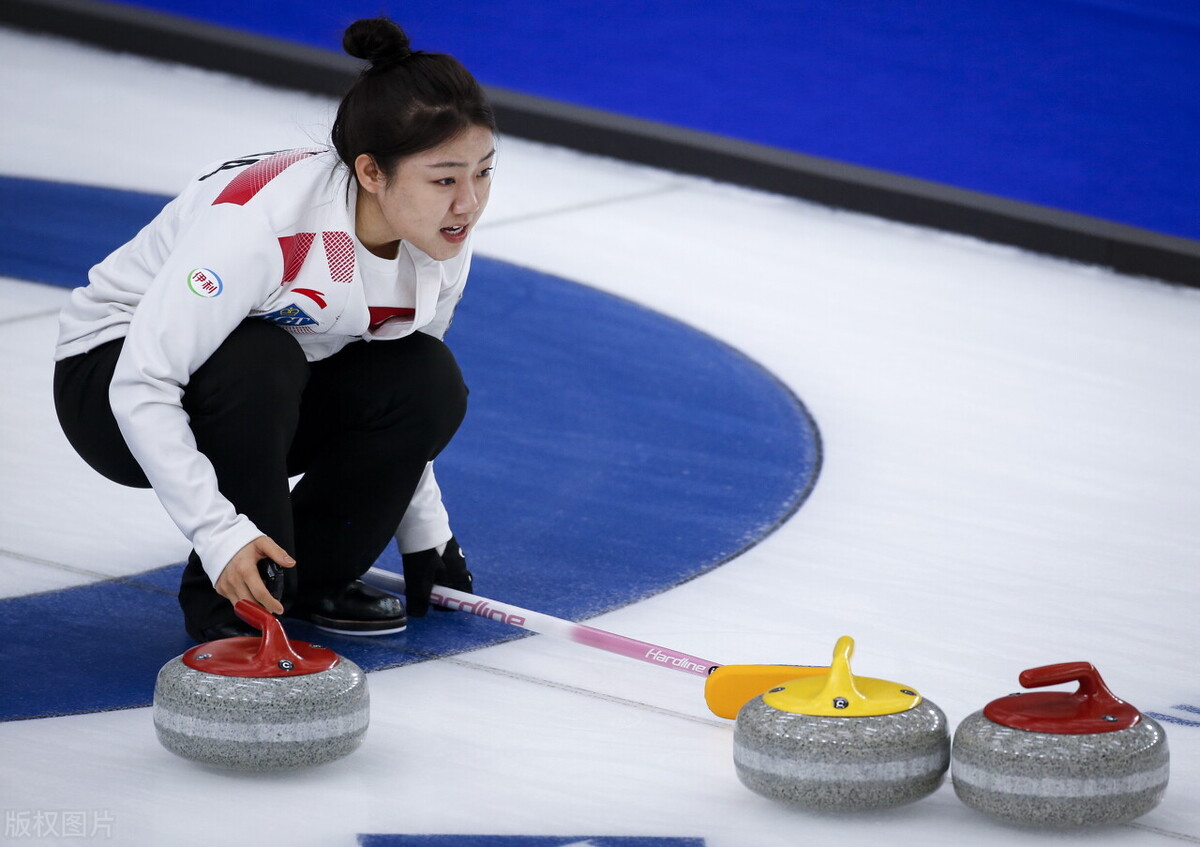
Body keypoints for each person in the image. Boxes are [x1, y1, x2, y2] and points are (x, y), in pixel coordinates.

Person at [52, 17, 490, 641]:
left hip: (263, 389)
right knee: (261, 356)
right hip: (111, 383)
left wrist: (427, 535)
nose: (468, 203)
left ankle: (300, 583)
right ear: (371, 173)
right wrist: (218, 533)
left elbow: (401, 394)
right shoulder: (260, 224)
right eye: (445, 178)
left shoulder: (438, 238)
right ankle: (231, 611)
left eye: (483, 172)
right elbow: (141, 384)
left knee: (426, 376)